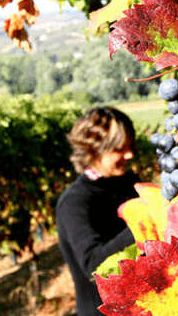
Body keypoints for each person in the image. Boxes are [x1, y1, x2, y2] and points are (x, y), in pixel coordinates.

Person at [56, 106, 140, 316]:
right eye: (119, 148)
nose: (130, 154)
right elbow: (94, 265)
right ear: (93, 150)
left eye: (130, 146)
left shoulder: (129, 183)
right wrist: (143, 224)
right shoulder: (75, 202)